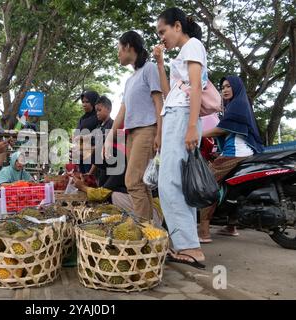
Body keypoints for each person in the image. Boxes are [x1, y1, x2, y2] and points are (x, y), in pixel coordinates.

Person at [153, 7, 207, 268]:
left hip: (183, 116)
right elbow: (167, 93)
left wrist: (192, 127)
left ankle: (190, 247)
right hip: (175, 115)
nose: (161, 37)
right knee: (175, 183)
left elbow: (196, 88)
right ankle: (187, 244)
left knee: (169, 184)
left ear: (177, 26)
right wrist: (161, 63)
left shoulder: (193, 45)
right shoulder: (183, 54)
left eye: (162, 31)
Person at [104, 30, 163, 220]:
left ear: (129, 46)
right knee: (141, 183)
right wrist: (108, 139)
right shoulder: (130, 80)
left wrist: (159, 134)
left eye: (119, 49)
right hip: (131, 134)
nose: (118, 53)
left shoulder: (150, 68)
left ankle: (143, 230)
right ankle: (149, 232)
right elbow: (122, 111)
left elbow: (158, 102)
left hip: (147, 130)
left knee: (132, 181)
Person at [198, 75, 264, 243]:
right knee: (233, 189)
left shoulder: (237, 105)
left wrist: (196, 134)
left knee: (207, 185)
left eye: (228, 86)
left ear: (237, 87)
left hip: (235, 153)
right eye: (223, 87)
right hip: (242, 152)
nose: (225, 90)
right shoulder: (239, 105)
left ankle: (204, 231)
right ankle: (231, 226)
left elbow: (221, 130)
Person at [88, 95, 114, 186]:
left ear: (109, 109)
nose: (97, 113)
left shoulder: (112, 126)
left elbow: (103, 149)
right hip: (97, 169)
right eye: (96, 111)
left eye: (99, 110)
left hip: (108, 169)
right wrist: (90, 173)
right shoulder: (98, 127)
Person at [76, 91, 101, 174]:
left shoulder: (98, 117)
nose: (84, 104)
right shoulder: (82, 118)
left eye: (87, 102)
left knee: (91, 180)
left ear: (94, 102)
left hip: (92, 155)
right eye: (83, 102)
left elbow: (100, 132)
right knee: (82, 179)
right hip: (80, 154)